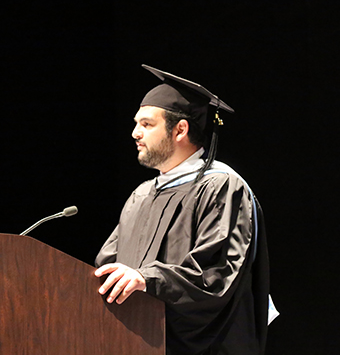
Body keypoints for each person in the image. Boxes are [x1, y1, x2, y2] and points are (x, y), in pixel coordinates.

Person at [94, 65, 269, 355]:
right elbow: (108, 267)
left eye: (147, 124)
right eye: (136, 123)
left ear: (180, 129)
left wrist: (147, 279)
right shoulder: (141, 196)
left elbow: (217, 275)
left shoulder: (222, 187)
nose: (135, 133)